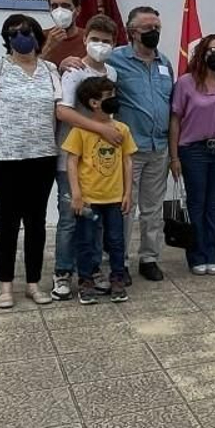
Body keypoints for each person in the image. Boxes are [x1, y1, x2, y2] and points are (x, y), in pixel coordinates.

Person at [0, 14, 63, 308]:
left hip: (42, 156)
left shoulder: (50, 70)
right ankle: (5, 286)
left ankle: (34, 283)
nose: (21, 37)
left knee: (36, 223)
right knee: (7, 223)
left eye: (26, 31)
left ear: (38, 36)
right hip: (4, 159)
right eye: (13, 33)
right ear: (6, 38)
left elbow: (58, 110)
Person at [51, 15, 127, 298]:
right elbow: (63, 111)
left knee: (95, 223)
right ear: (85, 40)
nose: (100, 45)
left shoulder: (112, 74)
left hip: (100, 165)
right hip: (70, 159)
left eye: (106, 41)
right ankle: (62, 273)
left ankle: (92, 271)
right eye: (95, 40)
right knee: (71, 219)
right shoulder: (74, 70)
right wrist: (99, 129)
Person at [106, 6, 174, 282]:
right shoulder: (115, 60)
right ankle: (118, 261)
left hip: (159, 148)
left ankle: (149, 258)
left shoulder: (164, 62)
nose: (154, 33)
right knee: (125, 208)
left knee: (153, 209)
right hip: (129, 149)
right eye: (148, 29)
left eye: (157, 28)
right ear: (132, 31)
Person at [62, 75, 135, 303]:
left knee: (116, 240)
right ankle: (86, 281)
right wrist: (76, 193)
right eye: (109, 97)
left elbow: (127, 161)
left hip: (114, 198)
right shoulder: (80, 131)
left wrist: (127, 193)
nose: (114, 100)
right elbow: (71, 161)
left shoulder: (121, 129)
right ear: (94, 103)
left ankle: (117, 279)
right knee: (86, 241)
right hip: (89, 199)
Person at [170, 34, 215, 275]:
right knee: (197, 205)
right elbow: (175, 121)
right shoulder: (186, 82)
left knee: (214, 205)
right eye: (213, 50)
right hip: (193, 151)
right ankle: (197, 255)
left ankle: (214, 254)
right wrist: (174, 156)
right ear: (203, 52)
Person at [41, 0, 85, 66]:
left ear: (78, 10)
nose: (59, 11)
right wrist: (48, 47)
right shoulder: (40, 36)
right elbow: (30, 70)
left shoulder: (88, 37)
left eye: (65, 6)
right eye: (54, 6)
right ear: (50, 10)